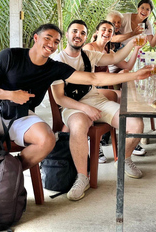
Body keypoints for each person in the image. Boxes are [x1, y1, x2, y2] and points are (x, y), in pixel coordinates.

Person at [0, 23, 152, 232]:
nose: (51, 44)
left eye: (55, 41)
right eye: (48, 38)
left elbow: (94, 78)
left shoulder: (53, 67)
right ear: (36, 38)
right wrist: (10, 94)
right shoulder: (10, 56)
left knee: (47, 140)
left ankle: (4, 175)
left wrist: (134, 75)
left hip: (22, 116)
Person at [51, 20, 148, 201]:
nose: (78, 35)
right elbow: (59, 98)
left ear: (86, 37)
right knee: (79, 125)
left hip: (96, 100)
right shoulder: (57, 60)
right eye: (74, 31)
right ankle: (82, 177)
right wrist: (84, 108)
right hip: (73, 105)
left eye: (82, 33)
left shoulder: (89, 55)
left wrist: (133, 44)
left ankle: (123, 159)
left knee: (136, 122)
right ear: (67, 34)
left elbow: (114, 59)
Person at [84, 20, 146, 160]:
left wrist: (136, 48)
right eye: (104, 29)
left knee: (128, 100)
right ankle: (95, 143)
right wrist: (119, 76)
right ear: (97, 32)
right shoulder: (89, 48)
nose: (107, 32)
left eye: (110, 31)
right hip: (91, 90)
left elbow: (127, 65)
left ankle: (132, 137)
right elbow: (91, 77)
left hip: (103, 88)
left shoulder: (109, 51)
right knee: (122, 97)